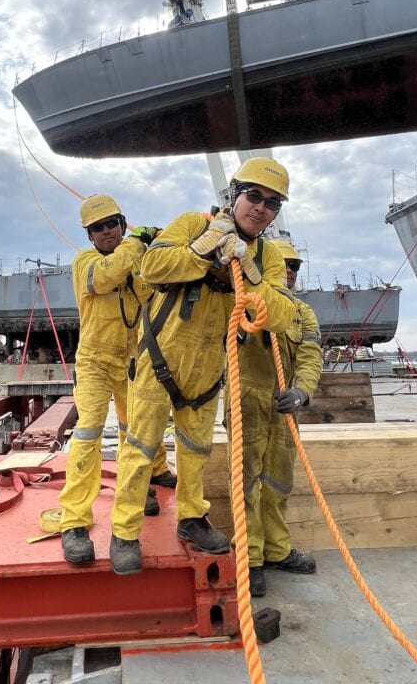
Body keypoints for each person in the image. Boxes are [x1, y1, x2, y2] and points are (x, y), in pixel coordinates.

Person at [108, 156, 296, 575]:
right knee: (140, 450)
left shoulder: (267, 257)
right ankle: (124, 530)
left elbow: (282, 315)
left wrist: (249, 272)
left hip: (208, 370)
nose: (260, 207)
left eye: (271, 203)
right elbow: (151, 266)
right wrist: (203, 247)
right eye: (254, 195)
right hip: (161, 362)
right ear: (234, 194)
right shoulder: (193, 223)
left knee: (195, 450)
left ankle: (192, 518)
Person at [59, 194, 176, 565]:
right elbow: (106, 277)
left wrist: (161, 244)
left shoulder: (137, 261)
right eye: (99, 227)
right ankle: (74, 521)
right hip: (94, 361)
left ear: (123, 224)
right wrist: (137, 242)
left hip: (131, 361)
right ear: (90, 236)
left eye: (113, 223)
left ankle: (139, 490)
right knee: (89, 432)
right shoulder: (86, 263)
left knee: (135, 432)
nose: (107, 231)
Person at [226, 237, 323, 597]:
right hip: (247, 398)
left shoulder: (303, 313)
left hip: (284, 405)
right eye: (285, 265)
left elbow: (311, 356)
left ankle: (276, 550)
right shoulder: (244, 301)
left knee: (280, 481)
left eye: (295, 266)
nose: (291, 272)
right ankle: (250, 560)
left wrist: (302, 391)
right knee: (247, 483)